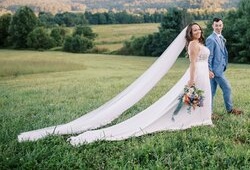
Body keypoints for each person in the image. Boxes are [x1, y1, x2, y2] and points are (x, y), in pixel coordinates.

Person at [66, 23, 212, 145]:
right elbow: (193, 63)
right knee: (184, 99)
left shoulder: (199, 43)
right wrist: (192, 80)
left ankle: (202, 118)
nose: (198, 31)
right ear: (190, 33)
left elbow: (202, 60)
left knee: (200, 97)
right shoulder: (193, 44)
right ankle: (196, 119)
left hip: (203, 72)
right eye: (195, 30)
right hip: (196, 74)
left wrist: (208, 71)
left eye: (199, 29)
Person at [206, 18, 242, 115]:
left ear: (222, 26)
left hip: (219, 69)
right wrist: (209, 70)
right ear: (213, 26)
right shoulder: (210, 39)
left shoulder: (220, 37)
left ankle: (208, 113)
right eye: (216, 25)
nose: (218, 27)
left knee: (211, 92)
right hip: (215, 71)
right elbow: (209, 56)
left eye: (220, 25)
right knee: (227, 88)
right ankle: (230, 110)